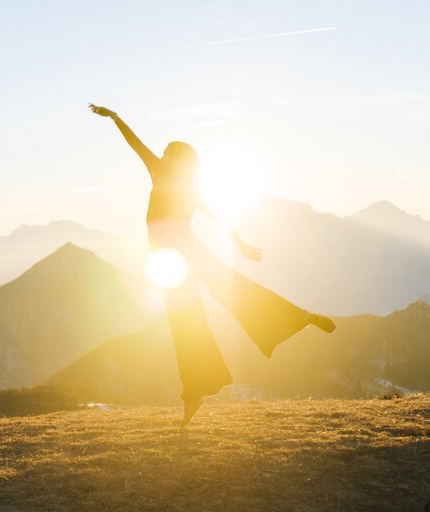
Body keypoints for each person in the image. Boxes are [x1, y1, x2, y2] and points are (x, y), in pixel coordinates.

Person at [89, 104, 336, 426]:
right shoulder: (192, 188)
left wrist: (116, 118)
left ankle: (193, 395)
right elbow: (220, 217)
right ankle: (297, 317)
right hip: (189, 252)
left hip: (171, 261)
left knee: (187, 326)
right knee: (233, 294)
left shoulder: (160, 172)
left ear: (176, 159)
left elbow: (136, 145)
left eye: (166, 152)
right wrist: (240, 244)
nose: (161, 155)